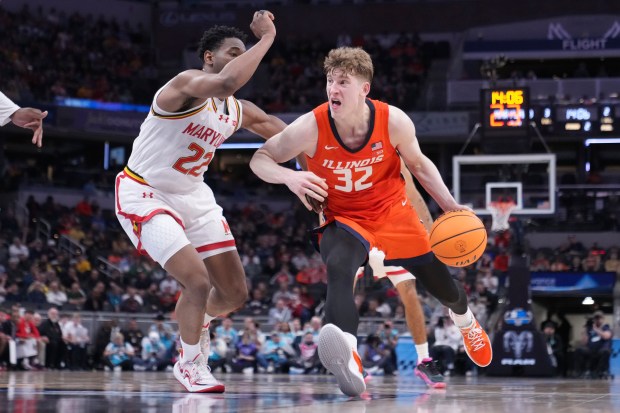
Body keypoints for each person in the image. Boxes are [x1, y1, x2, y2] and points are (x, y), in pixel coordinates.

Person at [250, 47, 492, 396]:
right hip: (345, 218)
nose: (333, 88)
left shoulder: (393, 121)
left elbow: (421, 166)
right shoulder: (311, 126)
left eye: (343, 82)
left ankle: (466, 320)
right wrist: (290, 178)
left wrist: (452, 206)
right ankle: (347, 353)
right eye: (330, 80)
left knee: (444, 288)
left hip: (395, 214)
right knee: (338, 267)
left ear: (364, 89)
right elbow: (261, 159)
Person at [114, 11, 283, 393]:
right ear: (209, 56)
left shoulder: (237, 110)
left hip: (193, 194)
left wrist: (318, 161)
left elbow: (283, 133)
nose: (240, 58)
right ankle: (190, 364)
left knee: (234, 294)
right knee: (195, 279)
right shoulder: (185, 84)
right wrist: (266, 40)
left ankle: (201, 318)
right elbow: (226, 82)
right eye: (232, 52)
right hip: (145, 190)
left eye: (244, 52)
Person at [573, 310, 612, 378]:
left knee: (606, 352)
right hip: (590, 350)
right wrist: (585, 329)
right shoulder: (589, 329)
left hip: (601, 349)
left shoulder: (606, 327)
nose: (597, 320)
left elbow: (606, 336)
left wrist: (596, 329)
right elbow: (584, 342)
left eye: (599, 318)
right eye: (596, 318)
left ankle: (600, 372)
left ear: (602, 318)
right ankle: (579, 372)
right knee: (578, 350)